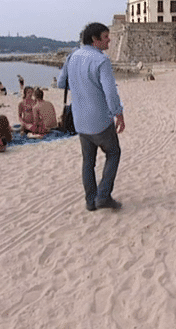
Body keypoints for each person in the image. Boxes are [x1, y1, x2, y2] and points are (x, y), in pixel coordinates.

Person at [58, 22, 125, 211]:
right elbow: (110, 92)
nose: (109, 40)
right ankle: (103, 196)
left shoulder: (72, 56)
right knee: (113, 153)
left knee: (88, 161)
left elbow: (62, 82)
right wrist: (118, 113)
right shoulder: (101, 61)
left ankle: (90, 201)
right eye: (105, 37)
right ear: (95, 40)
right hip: (100, 120)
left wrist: (81, 88)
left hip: (80, 120)